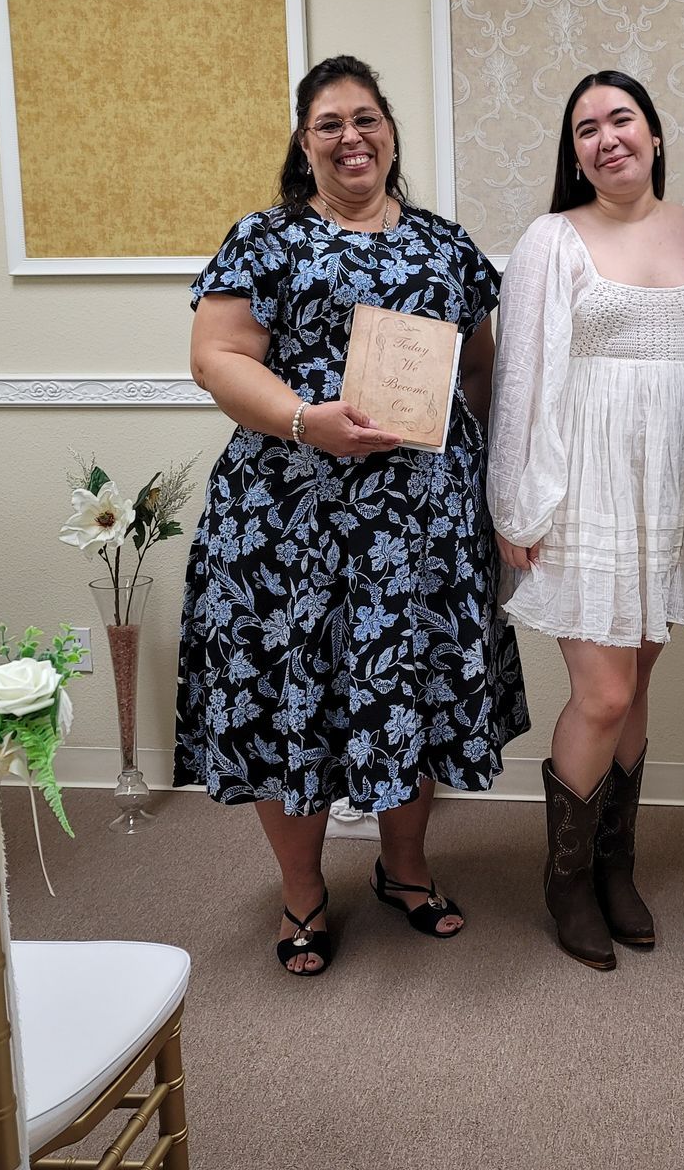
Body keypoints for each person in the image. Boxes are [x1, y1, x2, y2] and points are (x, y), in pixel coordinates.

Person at [179, 54, 529, 977]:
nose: (351, 137)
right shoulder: (262, 239)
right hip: (286, 521)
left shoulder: (449, 249)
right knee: (289, 700)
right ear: (305, 142)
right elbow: (216, 357)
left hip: (420, 527)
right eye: (329, 123)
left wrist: (492, 489)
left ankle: (405, 872)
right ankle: (302, 894)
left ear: (390, 133)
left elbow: (485, 372)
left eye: (366, 118)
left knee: (404, 695)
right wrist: (309, 422)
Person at [490, 70, 684, 971]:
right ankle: (567, 878)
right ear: (574, 152)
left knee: (641, 679)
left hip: (670, 489)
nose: (605, 137)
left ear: (656, 135)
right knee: (604, 692)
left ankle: (618, 867)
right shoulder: (553, 239)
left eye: (621, 119)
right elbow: (521, 380)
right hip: (580, 486)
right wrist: (517, 503)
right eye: (586, 128)